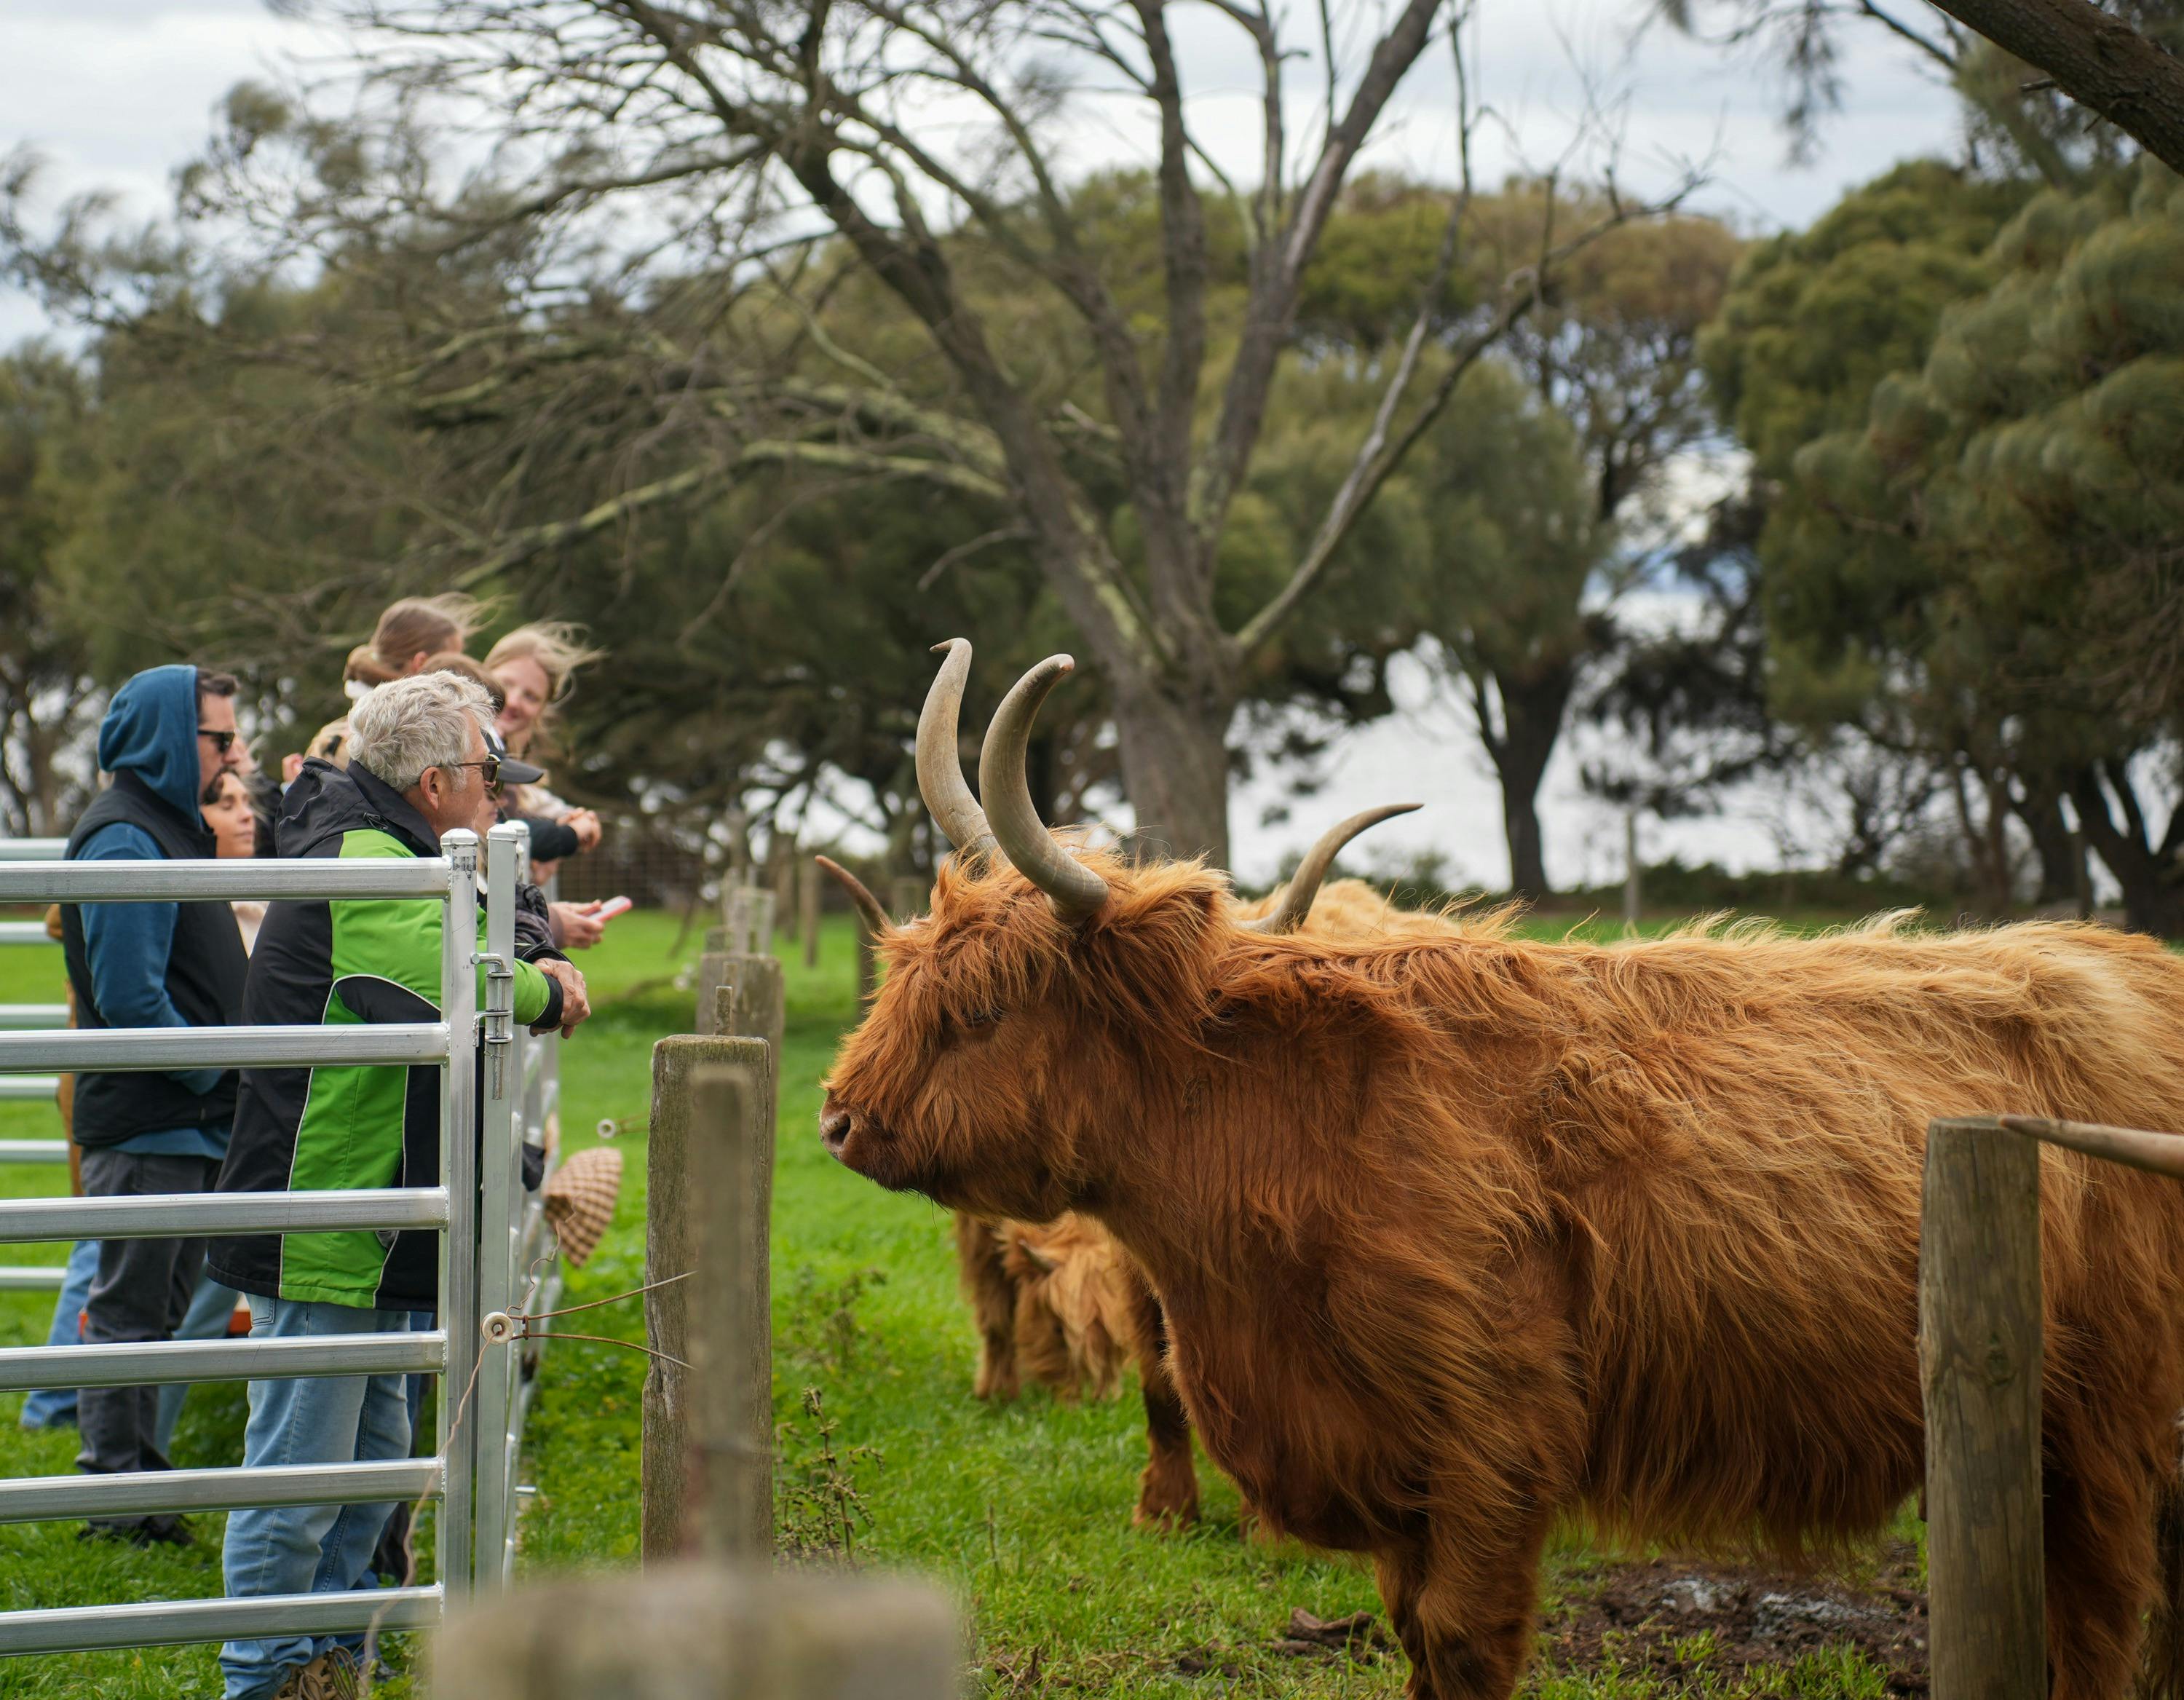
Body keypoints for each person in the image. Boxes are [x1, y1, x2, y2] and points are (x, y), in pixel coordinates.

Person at [207, 672, 589, 1700]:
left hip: (369, 1211)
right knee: (300, 1472)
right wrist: (554, 987)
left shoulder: (396, 847)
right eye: (487, 770)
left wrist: (532, 960)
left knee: (369, 1458)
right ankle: (264, 1672)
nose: (500, 790)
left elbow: (490, 947)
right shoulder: (369, 863)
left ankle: (327, 1659)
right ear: (433, 781)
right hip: (323, 1211)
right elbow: (465, 978)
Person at [57, 665, 246, 1545]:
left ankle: (137, 1489)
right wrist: (221, 1073)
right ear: (174, 738)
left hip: (181, 1121)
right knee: (132, 1317)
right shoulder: (127, 839)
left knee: (157, 1318)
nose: (233, 753)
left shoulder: (163, 828)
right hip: (149, 1121)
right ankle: (114, 1500)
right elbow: (131, 998)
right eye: (219, 737)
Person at [484, 624, 608, 949]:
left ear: (541, 710)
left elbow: (535, 803)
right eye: (506, 684)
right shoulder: (459, 752)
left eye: (531, 696)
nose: (513, 701)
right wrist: (562, 837)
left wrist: (573, 822)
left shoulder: (516, 773)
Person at [285, 596, 482, 784]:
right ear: (421, 663)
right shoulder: (393, 735)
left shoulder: (348, 728)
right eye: (452, 665)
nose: (459, 677)